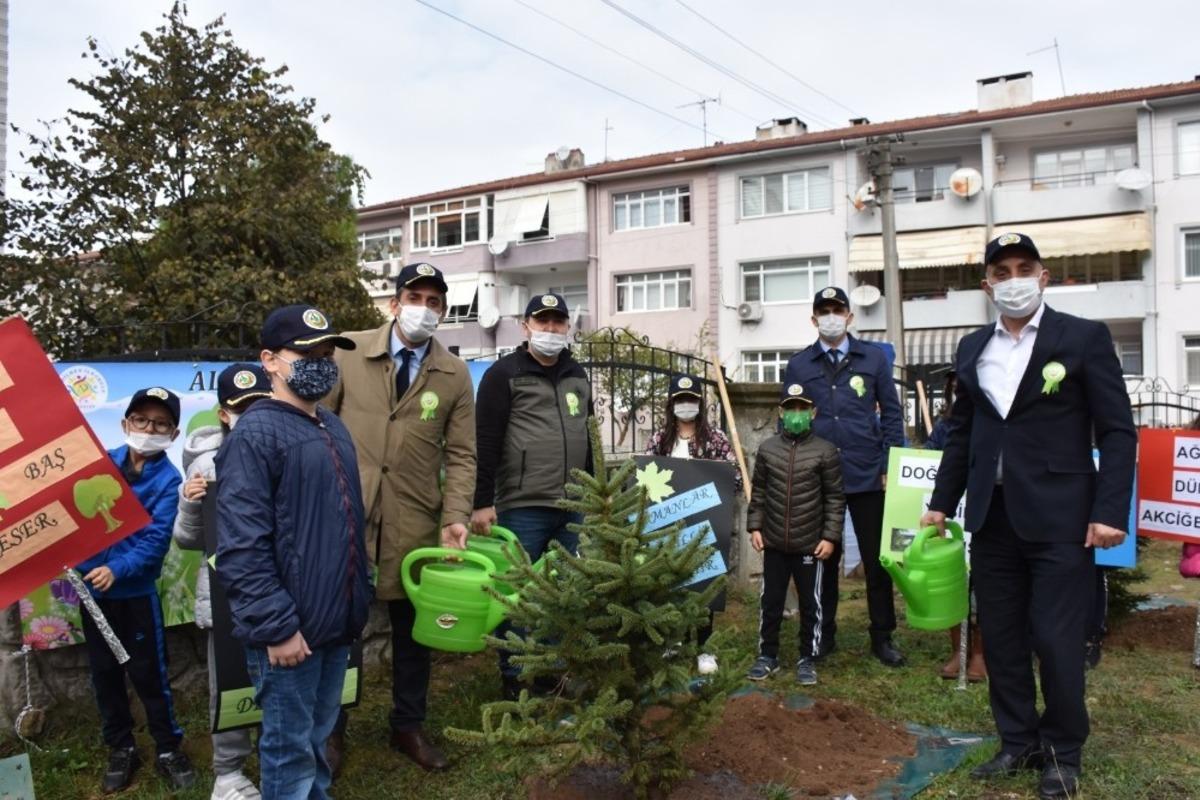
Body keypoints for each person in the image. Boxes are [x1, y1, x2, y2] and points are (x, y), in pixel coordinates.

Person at [921, 233, 1136, 799]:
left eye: (1023, 267)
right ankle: (1018, 741)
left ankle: (1064, 752)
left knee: (1057, 636)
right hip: (992, 519)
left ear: (1043, 275)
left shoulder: (1083, 338)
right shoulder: (972, 348)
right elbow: (963, 433)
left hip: (1064, 518)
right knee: (1003, 637)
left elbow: (1117, 431)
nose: (1012, 278)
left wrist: (1110, 510)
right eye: (1001, 270)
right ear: (987, 284)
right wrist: (941, 503)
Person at [325, 262, 475, 772]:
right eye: (416, 297)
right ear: (394, 303)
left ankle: (407, 727)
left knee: (415, 634)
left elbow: (462, 455)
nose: (424, 309)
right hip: (346, 514)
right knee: (339, 631)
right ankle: (330, 731)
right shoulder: (347, 351)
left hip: (416, 521)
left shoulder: (454, 373)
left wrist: (455, 514)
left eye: (436, 302)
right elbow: (314, 424)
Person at [217, 305, 371, 800]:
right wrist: (278, 627)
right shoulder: (255, 434)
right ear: (270, 360)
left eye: (327, 353)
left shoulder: (331, 425)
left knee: (317, 742)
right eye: (306, 353)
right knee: (288, 752)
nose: (321, 362)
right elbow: (242, 546)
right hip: (291, 634)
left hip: (334, 624)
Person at [470, 292, 593, 700]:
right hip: (523, 504)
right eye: (543, 322)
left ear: (567, 328)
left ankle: (553, 672)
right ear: (526, 327)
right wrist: (481, 500)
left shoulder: (578, 374)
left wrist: (596, 494)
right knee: (519, 595)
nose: (551, 329)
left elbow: (589, 440)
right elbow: (485, 441)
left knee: (563, 594)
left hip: (573, 504)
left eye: (559, 322)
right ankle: (516, 676)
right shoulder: (503, 374)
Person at [77, 386, 196, 793]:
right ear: (126, 423)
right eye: (142, 420)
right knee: (104, 674)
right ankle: (121, 747)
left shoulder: (169, 480)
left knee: (149, 675)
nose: (149, 429)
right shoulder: (98, 465)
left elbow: (155, 543)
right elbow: (72, 520)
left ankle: (167, 747)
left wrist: (117, 569)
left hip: (136, 596)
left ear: (173, 434)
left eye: (160, 423)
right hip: (93, 598)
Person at [783, 286, 906, 666]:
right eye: (824, 310)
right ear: (814, 319)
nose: (832, 316)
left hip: (868, 473)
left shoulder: (872, 358)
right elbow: (789, 418)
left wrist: (889, 465)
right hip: (819, 477)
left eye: (838, 309)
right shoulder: (799, 365)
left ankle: (882, 635)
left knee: (877, 559)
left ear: (850, 317)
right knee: (822, 559)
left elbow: (891, 414)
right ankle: (822, 633)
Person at [173, 363, 271, 800]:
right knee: (229, 682)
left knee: (278, 680)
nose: (250, 416)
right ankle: (229, 772)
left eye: (260, 406)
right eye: (241, 408)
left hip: (279, 593)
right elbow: (189, 539)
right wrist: (190, 503)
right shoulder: (205, 464)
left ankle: (278, 759)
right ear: (223, 414)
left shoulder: (287, 449)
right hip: (225, 594)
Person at [745, 383, 844, 686]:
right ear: (781, 412)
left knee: (811, 604)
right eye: (791, 408)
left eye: (803, 408)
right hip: (774, 541)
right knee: (770, 601)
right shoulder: (767, 449)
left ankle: (807, 657)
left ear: (813, 412)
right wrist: (755, 526)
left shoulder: (826, 452)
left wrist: (830, 537)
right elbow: (759, 492)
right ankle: (767, 655)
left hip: (810, 545)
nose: (796, 414)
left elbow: (835, 499)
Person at [645, 373, 741, 673]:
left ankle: (704, 647)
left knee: (705, 586)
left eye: (691, 399)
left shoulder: (717, 440)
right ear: (671, 403)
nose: (686, 404)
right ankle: (672, 641)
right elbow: (645, 480)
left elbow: (734, 478)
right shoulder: (659, 439)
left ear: (700, 402)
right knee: (669, 585)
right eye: (680, 399)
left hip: (706, 525)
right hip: (669, 526)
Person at [923, 370, 986, 682]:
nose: (960, 389)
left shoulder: (992, 422)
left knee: (983, 584)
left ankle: (981, 654)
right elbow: (929, 459)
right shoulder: (945, 427)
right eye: (955, 386)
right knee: (952, 580)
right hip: (951, 520)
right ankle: (958, 649)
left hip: (984, 514)